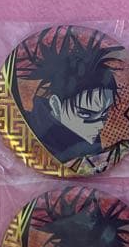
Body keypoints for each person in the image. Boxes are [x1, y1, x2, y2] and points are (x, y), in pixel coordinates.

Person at [16, 26, 122, 163]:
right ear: (56, 105)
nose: (99, 125)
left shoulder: (87, 141)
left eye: (103, 114)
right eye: (86, 115)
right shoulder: (27, 130)